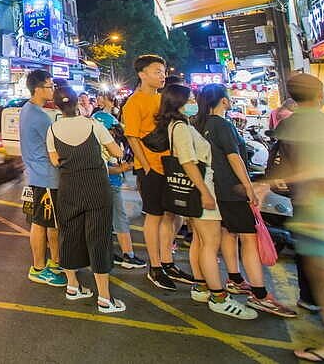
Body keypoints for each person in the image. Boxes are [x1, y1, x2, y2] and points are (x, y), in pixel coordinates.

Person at [193, 83, 295, 317]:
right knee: (249, 238)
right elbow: (234, 158)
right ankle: (260, 295)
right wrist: (249, 188)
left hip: (214, 190)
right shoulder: (222, 125)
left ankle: (235, 279)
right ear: (224, 101)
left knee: (230, 233)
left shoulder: (198, 125)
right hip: (232, 190)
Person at [160, 84, 257, 320]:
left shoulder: (183, 124)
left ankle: (202, 287)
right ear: (179, 102)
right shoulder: (181, 127)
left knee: (202, 242)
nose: (194, 101)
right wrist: (204, 192)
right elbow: (188, 162)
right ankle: (218, 296)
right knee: (210, 243)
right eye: (189, 98)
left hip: (198, 190)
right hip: (201, 190)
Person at [46, 82, 125, 312]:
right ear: (78, 102)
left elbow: (54, 160)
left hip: (69, 188)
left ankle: (73, 287)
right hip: (96, 188)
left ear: (58, 106)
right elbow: (117, 153)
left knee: (68, 235)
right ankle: (104, 298)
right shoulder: (93, 125)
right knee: (99, 237)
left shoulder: (52, 130)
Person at [264, 75, 324, 361]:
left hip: (309, 205)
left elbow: (280, 168)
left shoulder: (288, 125)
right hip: (315, 206)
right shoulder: (319, 123)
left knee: (317, 272)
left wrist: (266, 183)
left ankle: (310, 302)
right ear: (320, 94)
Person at [122, 54, 193, 290]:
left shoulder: (162, 99)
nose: (162, 75)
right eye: (156, 71)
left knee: (171, 216)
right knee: (154, 216)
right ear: (142, 74)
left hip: (171, 165)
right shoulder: (134, 102)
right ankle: (155, 266)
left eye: (163, 71)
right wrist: (147, 166)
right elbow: (131, 136)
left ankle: (167, 261)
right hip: (151, 168)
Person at [20, 69, 65, 287]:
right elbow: (53, 151)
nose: (53, 90)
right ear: (38, 89)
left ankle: (54, 263)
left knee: (50, 224)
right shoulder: (39, 116)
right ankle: (39, 268)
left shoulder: (28, 109)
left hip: (39, 175)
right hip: (45, 177)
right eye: (50, 86)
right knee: (41, 224)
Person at [92, 92, 146, 269]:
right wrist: (125, 167)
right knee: (119, 218)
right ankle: (127, 255)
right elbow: (107, 165)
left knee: (105, 219)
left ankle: (108, 253)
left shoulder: (101, 123)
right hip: (110, 183)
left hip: (105, 182)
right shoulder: (108, 139)